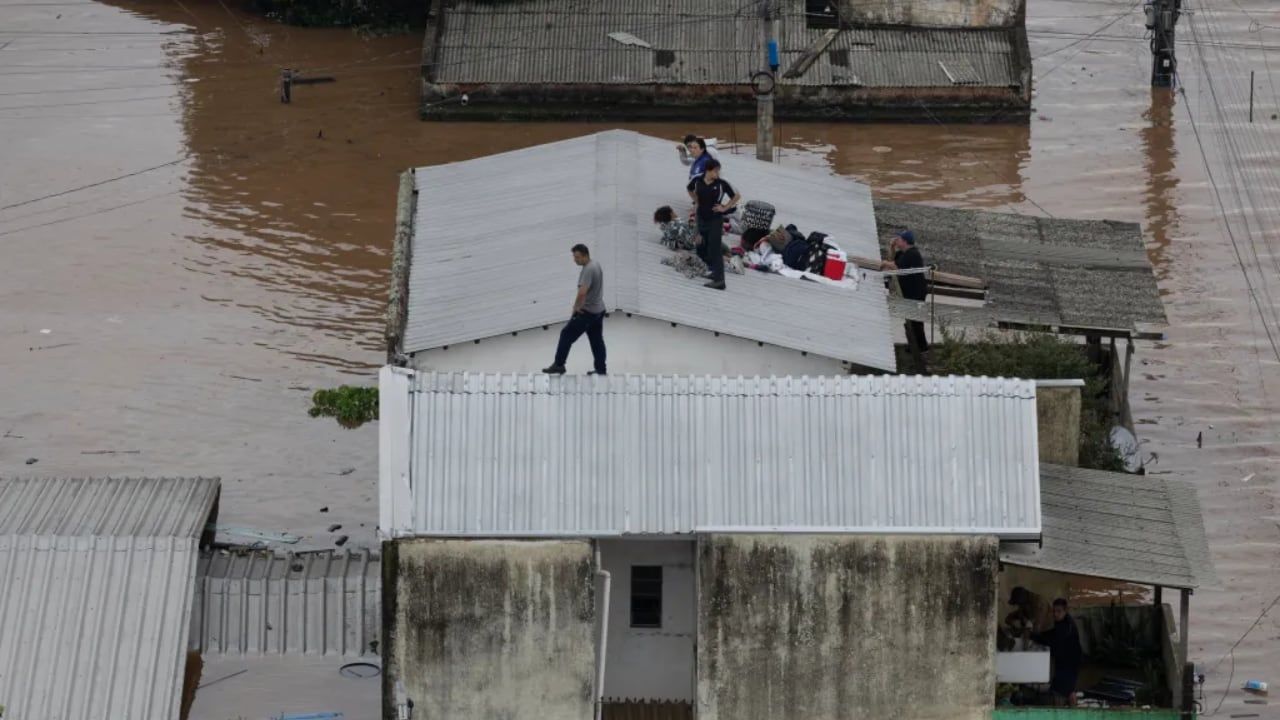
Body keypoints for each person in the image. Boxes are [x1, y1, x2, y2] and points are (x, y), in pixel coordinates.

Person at [542, 244, 607, 376]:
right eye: (574, 257)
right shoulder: (596, 264)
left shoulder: (588, 270)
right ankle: (601, 369)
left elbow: (582, 292)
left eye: (577, 257)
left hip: (587, 312)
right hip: (598, 311)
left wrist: (576, 308)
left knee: (566, 334)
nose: (575, 260)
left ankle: (559, 365)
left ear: (585, 256)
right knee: (597, 341)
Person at [686, 158, 740, 290]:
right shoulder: (697, 180)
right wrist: (696, 201)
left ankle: (720, 281)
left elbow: (736, 196)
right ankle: (714, 272)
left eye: (718, 171)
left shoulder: (721, 184)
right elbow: (689, 188)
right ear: (708, 170)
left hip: (715, 220)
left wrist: (725, 207)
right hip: (701, 217)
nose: (718, 174)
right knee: (702, 246)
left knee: (715, 250)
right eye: (716, 171)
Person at [881, 229, 930, 354]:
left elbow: (897, 268)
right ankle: (914, 345)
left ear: (905, 241)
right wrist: (891, 248)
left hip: (916, 291)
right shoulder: (903, 253)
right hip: (908, 291)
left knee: (915, 320)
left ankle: (922, 347)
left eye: (899, 239)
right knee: (910, 320)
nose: (896, 241)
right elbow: (892, 261)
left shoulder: (912, 254)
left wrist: (886, 264)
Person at [1031, 598, 1084, 707]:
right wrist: (1039, 635)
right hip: (1065, 662)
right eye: (1054, 611)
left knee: (1060, 690)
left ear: (1065, 611)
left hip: (1069, 663)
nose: (1055, 614)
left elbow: (1053, 641)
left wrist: (1035, 637)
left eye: (1058, 611)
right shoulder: (1062, 622)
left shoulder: (1066, 627)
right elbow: (1053, 634)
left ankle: (1061, 708)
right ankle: (1071, 705)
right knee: (1068, 689)